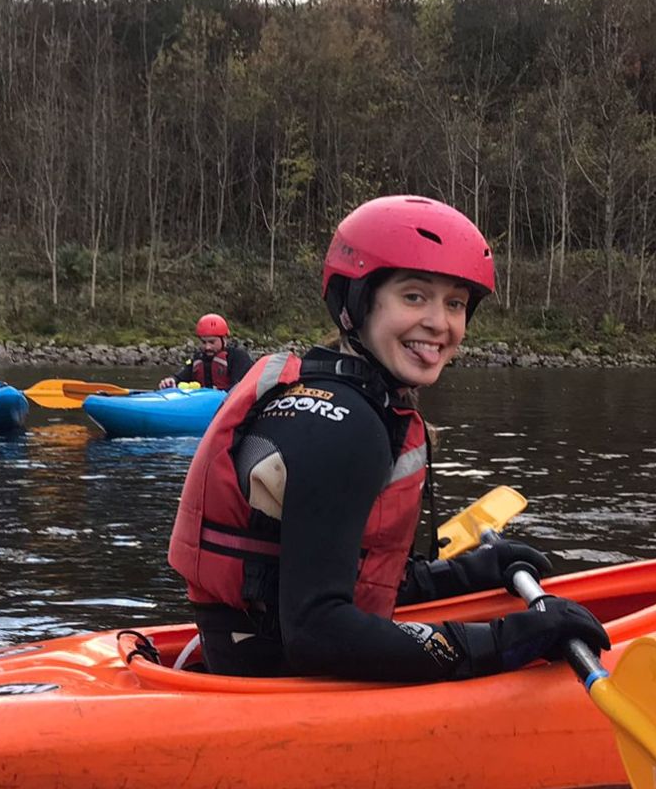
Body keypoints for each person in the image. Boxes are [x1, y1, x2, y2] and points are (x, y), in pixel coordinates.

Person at [167, 194, 610, 681]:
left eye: (456, 303)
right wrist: (507, 642)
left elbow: (347, 581)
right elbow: (318, 633)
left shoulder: (331, 400)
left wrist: (468, 574)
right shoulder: (349, 427)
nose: (440, 323)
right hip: (279, 688)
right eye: (414, 296)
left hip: (250, 656)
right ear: (358, 303)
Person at [159, 313, 254, 391]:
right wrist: (172, 381)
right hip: (205, 404)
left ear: (224, 339)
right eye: (203, 342)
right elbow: (181, 377)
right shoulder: (199, 357)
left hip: (228, 406)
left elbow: (240, 389)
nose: (207, 347)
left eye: (212, 342)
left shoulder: (238, 357)